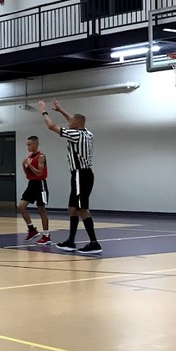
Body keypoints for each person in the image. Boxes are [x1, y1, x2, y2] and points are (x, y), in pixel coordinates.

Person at [40, 99, 102, 254]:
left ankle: (94, 243)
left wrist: (43, 111)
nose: (68, 122)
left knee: (82, 209)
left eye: (71, 121)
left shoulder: (75, 135)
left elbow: (51, 126)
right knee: (72, 209)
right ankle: (71, 241)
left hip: (81, 173)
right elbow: (74, 120)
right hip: (81, 175)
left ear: (76, 124)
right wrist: (61, 110)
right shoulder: (87, 133)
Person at [18, 136, 51, 245]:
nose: (28, 146)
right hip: (31, 184)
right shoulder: (30, 157)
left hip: (40, 184)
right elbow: (28, 175)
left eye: (29, 144)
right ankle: (32, 229)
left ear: (35, 145)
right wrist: (24, 166)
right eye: (27, 144)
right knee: (21, 206)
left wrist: (30, 165)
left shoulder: (41, 156)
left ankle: (46, 235)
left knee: (41, 210)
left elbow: (39, 173)